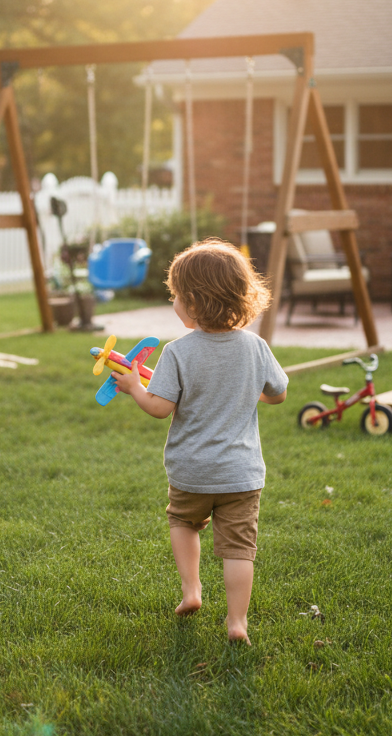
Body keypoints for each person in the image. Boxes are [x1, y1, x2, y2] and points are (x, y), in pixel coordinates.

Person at [115, 238, 288, 644]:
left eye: (176, 295)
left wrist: (134, 387)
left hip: (191, 470)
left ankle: (192, 591)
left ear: (193, 302)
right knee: (238, 549)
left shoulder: (178, 352)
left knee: (183, 522)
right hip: (241, 474)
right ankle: (237, 622)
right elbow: (278, 393)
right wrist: (250, 392)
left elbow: (160, 407)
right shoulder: (256, 346)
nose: (173, 302)